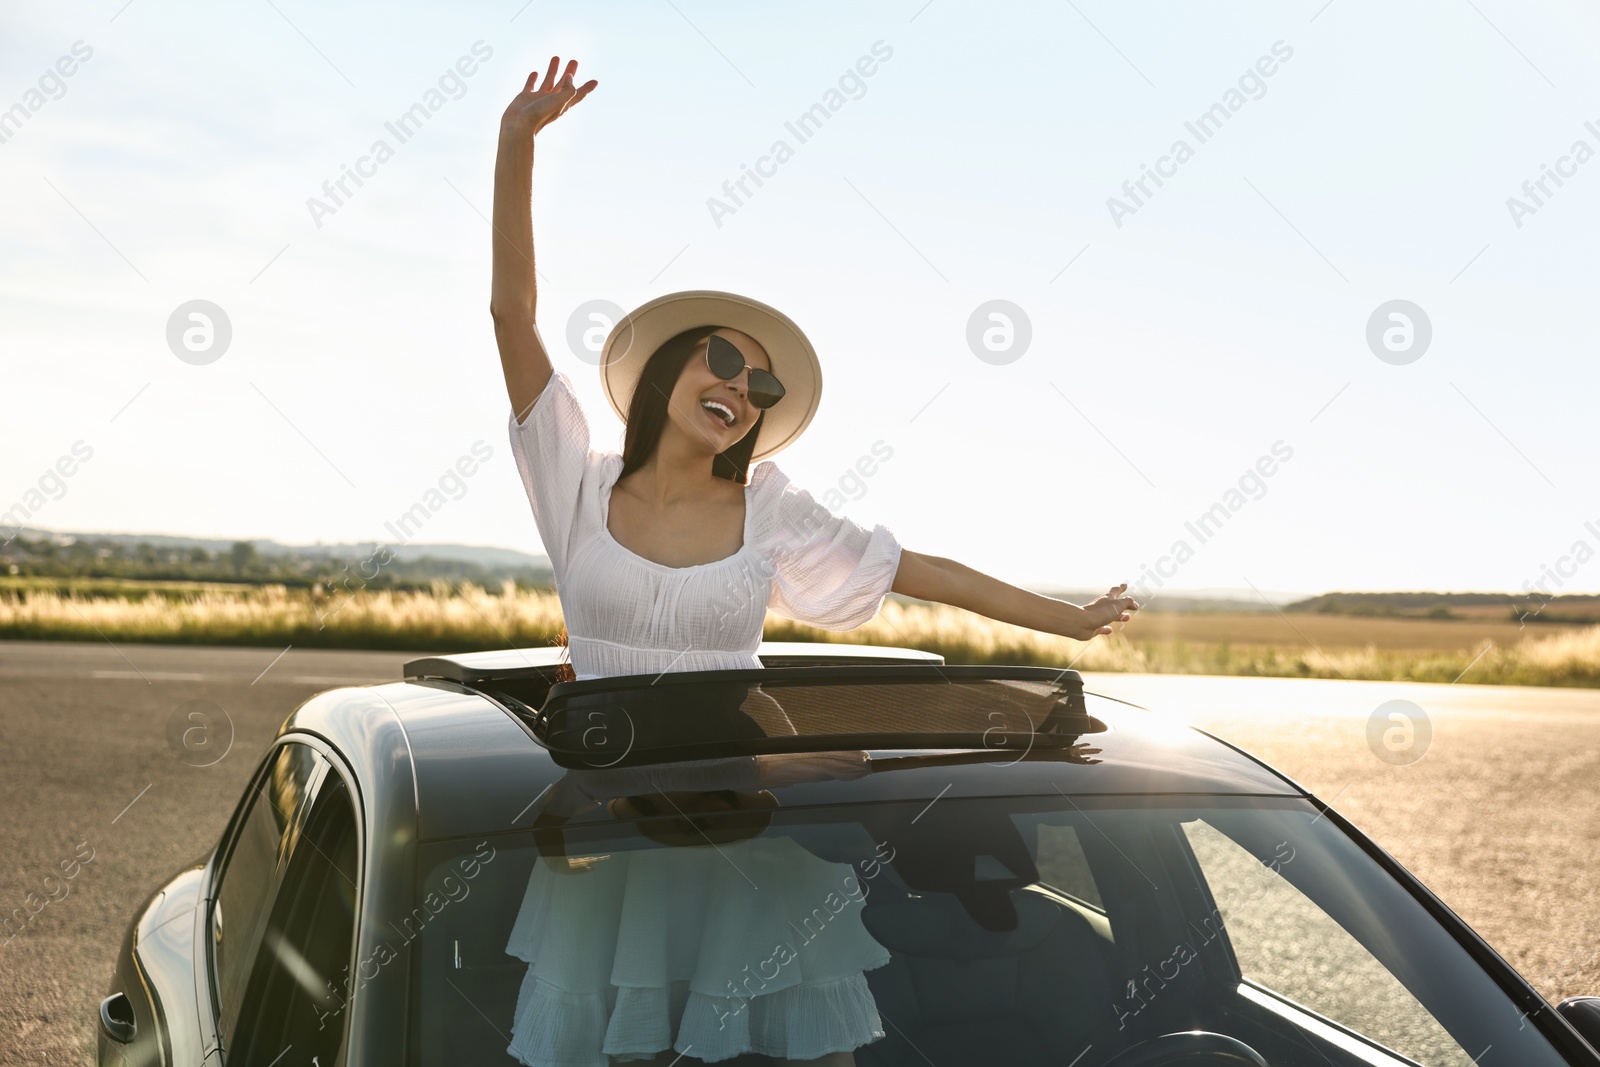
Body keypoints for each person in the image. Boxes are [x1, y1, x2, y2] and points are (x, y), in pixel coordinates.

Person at [491, 56, 1139, 1067]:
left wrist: (1064, 618)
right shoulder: (574, 480)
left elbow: (917, 568)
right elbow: (511, 317)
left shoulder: (771, 509)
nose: (743, 388)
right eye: (723, 361)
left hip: (748, 827)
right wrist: (517, 145)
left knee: (805, 1055)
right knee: (618, 1050)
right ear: (665, 369)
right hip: (609, 835)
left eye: (761, 383)